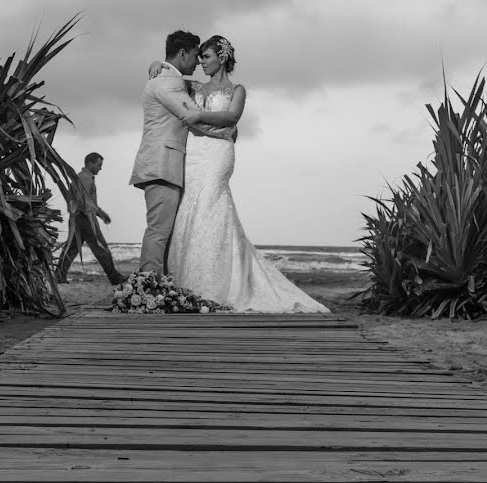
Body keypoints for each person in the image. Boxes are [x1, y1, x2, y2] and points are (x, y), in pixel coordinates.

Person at [148, 36, 329, 313]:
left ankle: (217, 284)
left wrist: (199, 118)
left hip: (219, 155)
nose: (200, 62)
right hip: (194, 154)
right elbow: (168, 74)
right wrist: (155, 64)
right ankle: (188, 281)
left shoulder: (238, 89)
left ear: (221, 57)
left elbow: (232, 118)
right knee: (189, 209)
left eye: (206, 57)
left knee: (211, 202)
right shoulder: (193, 86)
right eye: (199, 57)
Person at [129, 30, 234, 276]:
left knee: (165, 230)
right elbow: (193, 117)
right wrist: (228, 132)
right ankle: (149, 286)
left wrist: (158, 63)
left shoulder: (167, 77)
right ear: (183, 53)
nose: (198, 61)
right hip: (162, 164)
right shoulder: (168, 82)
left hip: (163, 163)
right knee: (159, 230)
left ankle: (160, 284)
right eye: (196, 55)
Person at [56, 152, 126, 285]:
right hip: (84, 219)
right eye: (99, 165)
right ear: (90, 163)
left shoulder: (82, 177)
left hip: (77, 218)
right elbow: (83, 202)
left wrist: (100, 213)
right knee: (101, 247)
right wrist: (94, 215)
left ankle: (59, 276)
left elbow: (85, 201)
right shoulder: (86, 179)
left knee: (71, 248)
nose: (100, 168)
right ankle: (115, 277)